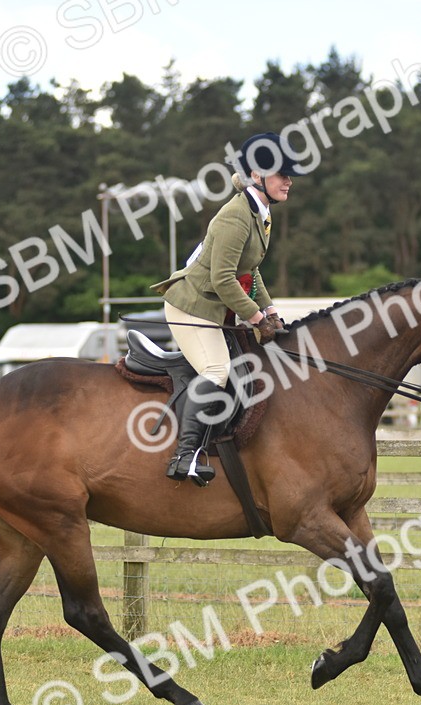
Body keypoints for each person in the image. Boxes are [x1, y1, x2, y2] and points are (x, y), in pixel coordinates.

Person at [149, 131, 304, 485]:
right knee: (218, 370)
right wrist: (255, 318)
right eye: (282, 173)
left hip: (216, 308)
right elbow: (222, 279)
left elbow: (251, 271)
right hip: (193, 307)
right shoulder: (236, 216)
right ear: (256, 176)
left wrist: (270, 311)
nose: (289, 180)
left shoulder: (259, 212)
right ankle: (184, 455)